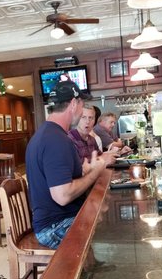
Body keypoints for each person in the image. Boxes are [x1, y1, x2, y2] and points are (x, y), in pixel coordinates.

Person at [26, 81, 107, 249]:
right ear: (73, 103)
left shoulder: (47, 134)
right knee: (109, 232)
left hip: (57, 220)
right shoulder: (56, 140)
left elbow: (56, 178)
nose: (82, 110)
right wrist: (95, 173)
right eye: (82, 104)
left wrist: (85, 170)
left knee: (104, 218)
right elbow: (62, 196)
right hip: (54, 227)